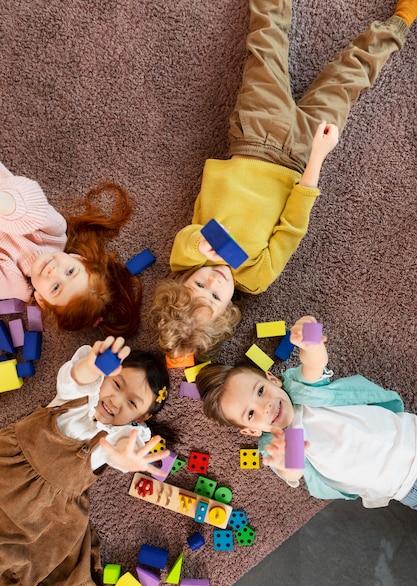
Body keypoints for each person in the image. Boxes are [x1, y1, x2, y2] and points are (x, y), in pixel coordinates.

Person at [150, 0, 417, 361]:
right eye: (214, 297)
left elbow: (187, 239)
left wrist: (201, 249)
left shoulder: (185, 255)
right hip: (302, 155)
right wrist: (318, 157)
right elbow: (292, 227)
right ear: (228, 309)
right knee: (350, 78)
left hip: (254, 135)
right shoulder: (255, 277)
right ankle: (401, 22)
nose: (213, 282)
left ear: (183, 279)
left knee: (265, 44)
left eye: (199, 284)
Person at [0, 335, 171, 586]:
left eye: (131, 403)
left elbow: (123, 449)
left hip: (48, 505)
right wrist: (93, 364)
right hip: (11, 460)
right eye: (116, 384)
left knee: (33, 549)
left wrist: (124, 459)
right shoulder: (79, 394)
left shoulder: (122, 434)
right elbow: (77, 375)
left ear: (140, 419)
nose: (116, 400)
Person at [196, 314, 417, 510]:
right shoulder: (276, 445)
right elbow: (293, 474)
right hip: (401, 484)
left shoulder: (300, 389)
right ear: (251, 432)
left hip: (409, 436)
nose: (265, 407)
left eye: (261, 391)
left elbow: (314, 365)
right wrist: (285, 462)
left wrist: (310, 342)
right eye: (251, 414)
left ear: (273, 379)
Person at [0, 161, 142, 335]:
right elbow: (28, 198)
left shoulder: (14, 285)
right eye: (70, 271)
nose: (54, 271)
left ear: (42, 300)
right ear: (77, 258)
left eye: (55, 287)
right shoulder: (56, 232)